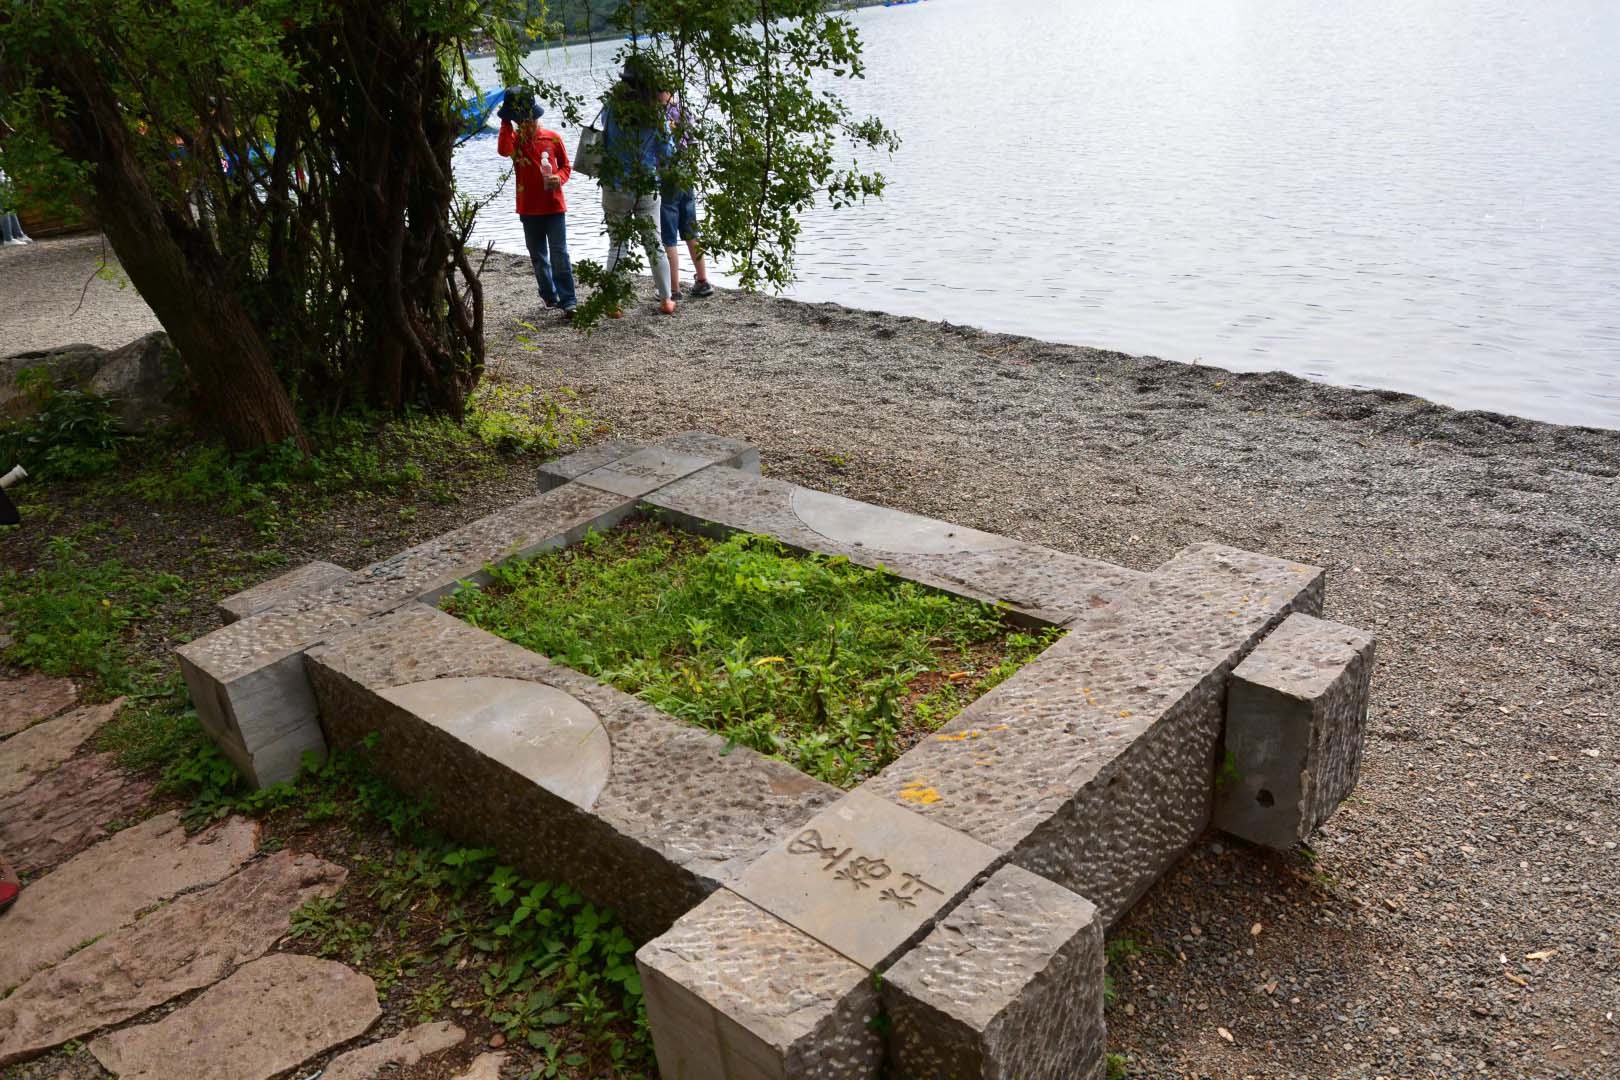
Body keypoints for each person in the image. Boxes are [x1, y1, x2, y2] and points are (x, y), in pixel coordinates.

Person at [600, 56, 676, 316]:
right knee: (654, 242)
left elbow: (605, 137)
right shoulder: (654, 112)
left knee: (617, 244)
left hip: (615, 184)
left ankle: (614, 303)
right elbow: (667, 151)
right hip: (646, 184)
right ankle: (666, 299)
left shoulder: (611, 107)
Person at [497, 88, 575, 317]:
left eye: (528, 120)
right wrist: (505, 121)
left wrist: (558, 178)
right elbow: (503, 151)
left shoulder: (552, 138)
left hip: (554, 206)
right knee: (538, 256)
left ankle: (569, 301)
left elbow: (566, 166)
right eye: (520, 121)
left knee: (559, 254)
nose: (526, 125)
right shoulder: (515, 140)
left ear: (536, 117)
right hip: (528, 208)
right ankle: (549, 296)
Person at [659, 92, 713, 301]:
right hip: (686, 175)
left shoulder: (657, 115)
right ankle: (702, 280)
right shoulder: (684, 111)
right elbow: (693, 145)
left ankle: (673, 289)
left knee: (669, 235)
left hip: (667, 178)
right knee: (691, 229)